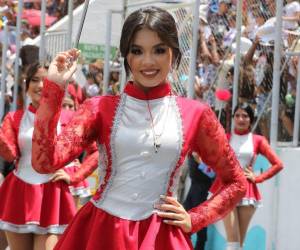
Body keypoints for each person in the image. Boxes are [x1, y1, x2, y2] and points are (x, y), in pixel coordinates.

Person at [31, 6, 247, 250]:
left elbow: (237, 182)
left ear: (173, 53)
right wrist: (54, 89)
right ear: (126, 56)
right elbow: (44, 162)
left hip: (161, 237)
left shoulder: (196, 114)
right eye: (137, 51)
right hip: (101, 234)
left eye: (159, 50)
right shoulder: (98, 108)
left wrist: (194, 218)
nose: (148, 61)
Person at [0, 62, 77, 250]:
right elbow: (10, 154)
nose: (41, 85)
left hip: (53, 194)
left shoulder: (68, 117)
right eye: (35, 80)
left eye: (47, 80)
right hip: (20, 191)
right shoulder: (14, 118)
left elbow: (94, 149)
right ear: (26, 87)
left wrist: (76, 174)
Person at [210, 103, 284, 250]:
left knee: (240, 243)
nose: (241, 119)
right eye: (237, 115)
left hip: (247, 191)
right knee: (232, 241)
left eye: (245, 116)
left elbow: (278, 164)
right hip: (226, 189)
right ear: (233, 118)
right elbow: (212, 158)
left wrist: (257, 178)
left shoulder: (258, 140)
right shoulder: (224, 138)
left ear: (251, 119)